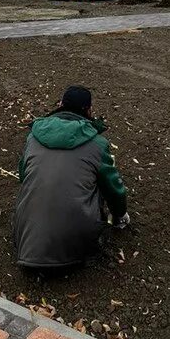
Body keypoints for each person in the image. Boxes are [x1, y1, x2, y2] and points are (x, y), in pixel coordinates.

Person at [15, 85, 129, 270]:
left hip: (25, 243)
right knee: (97, 181)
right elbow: (114, 189)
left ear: (60, 104)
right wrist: (120, 214)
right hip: (78, 251)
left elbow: (23, 176)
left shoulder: (33, 138)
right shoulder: (97, 144)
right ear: (89, 110)